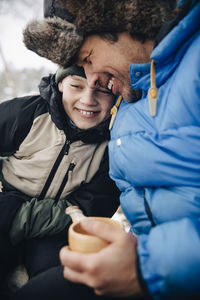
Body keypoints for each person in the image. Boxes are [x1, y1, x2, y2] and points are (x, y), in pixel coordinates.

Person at [12, 0, 200, 299]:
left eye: (88, 57)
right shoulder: (126, 99)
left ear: (123, 23)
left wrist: (146, 266)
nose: (92, 77)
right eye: (79, 72)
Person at [0, 63, 120, 299]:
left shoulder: (113, 145)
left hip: (60, 226)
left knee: (62, 278)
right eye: (77, 85)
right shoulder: (27, 113)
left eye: (103, 90)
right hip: (5, 205)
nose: (88, 100)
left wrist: (20, 216)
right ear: (60, 84)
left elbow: (92, 206)